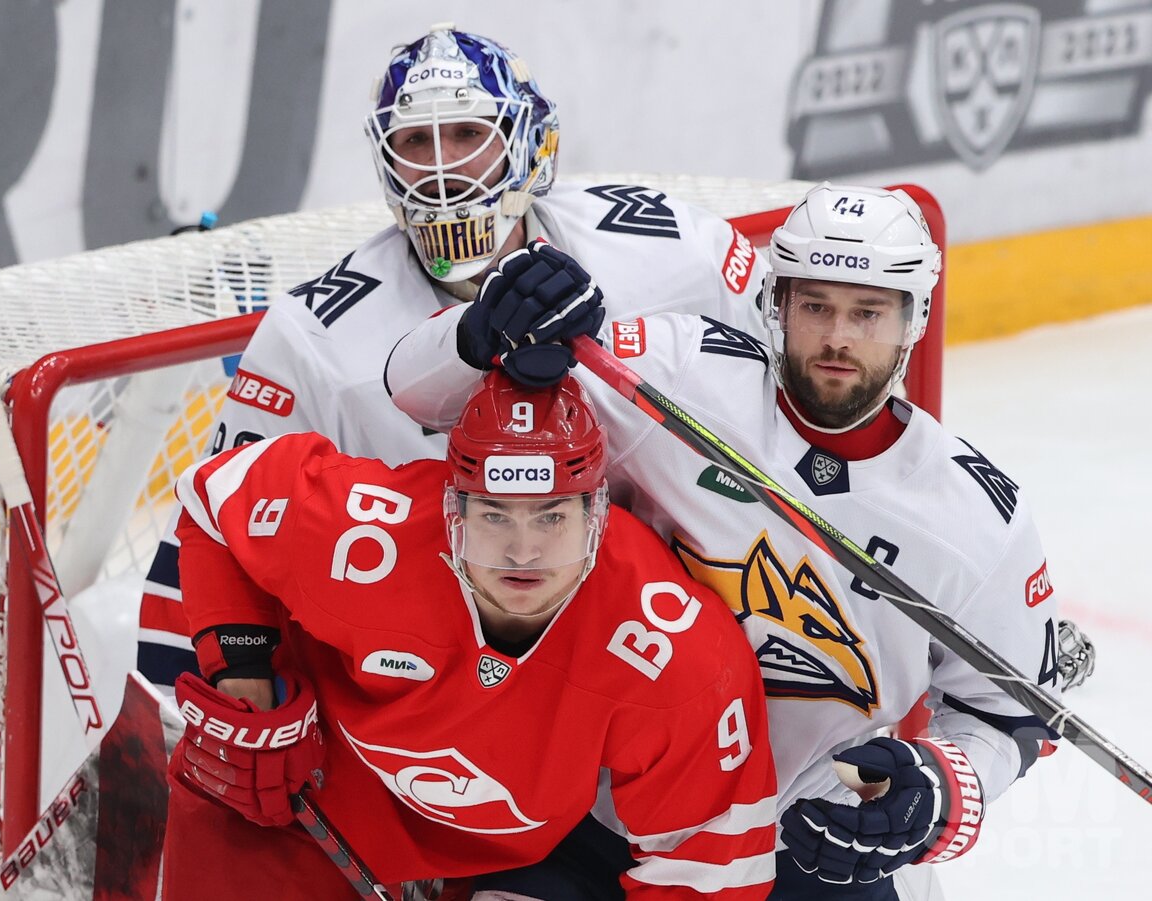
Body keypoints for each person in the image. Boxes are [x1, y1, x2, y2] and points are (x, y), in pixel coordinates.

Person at [385, 184, 1064, 900]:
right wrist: (486, 327)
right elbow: (415, 392)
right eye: (815, 307)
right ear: (777, 304)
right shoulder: (678, 375)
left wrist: (939, 788)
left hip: (808, 848)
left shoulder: (977, 515)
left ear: (914, 317)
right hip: (597, 817)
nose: (837, 337)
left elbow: (1012, 715)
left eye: (867, 312)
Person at [137, 23, 769, 692]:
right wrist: (231, 685)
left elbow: (793, 396)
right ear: (387, 161)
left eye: (468, 134)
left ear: (527, 143)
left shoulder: (671, 249)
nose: (442, 170)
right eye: (415, 141)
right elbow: (216, 522)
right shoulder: (313, 338)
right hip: (439, 682)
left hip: (664, 641)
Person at [160, 371, 777, 899]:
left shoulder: (671, 652)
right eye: (493, 514)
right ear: (453, 513)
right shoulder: (370, 540)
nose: (523, 550)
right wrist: (244, 678)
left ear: (598, 515)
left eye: (553, 515)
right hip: (291, 804)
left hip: (498, 867)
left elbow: (709, 869)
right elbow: (215, 496)